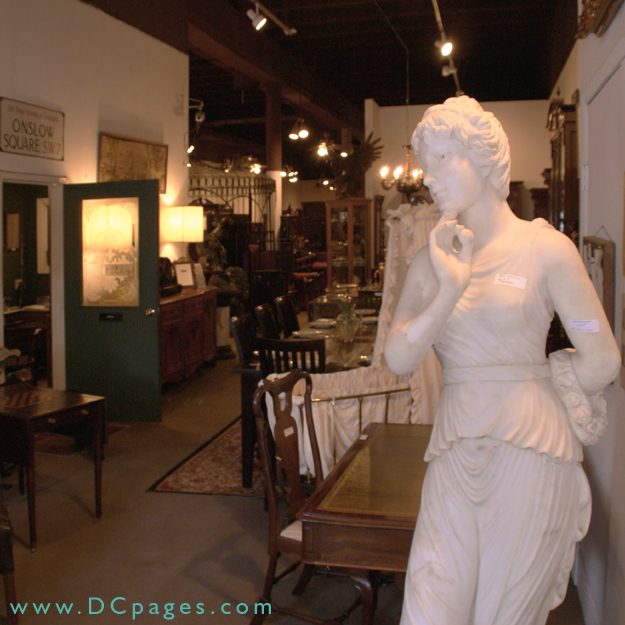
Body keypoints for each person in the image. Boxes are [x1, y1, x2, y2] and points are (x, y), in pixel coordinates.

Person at [384, 96, 620, 625]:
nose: (430, 177)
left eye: (443, 158)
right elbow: (398, 357)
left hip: (531, 450)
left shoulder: (546, 250)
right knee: (429, 603)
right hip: (454, 446)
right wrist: (450, 289)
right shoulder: (430, 262)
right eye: (426, 164)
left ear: (485, 160)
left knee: (505, 613)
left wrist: (542, 387)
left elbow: (602, 357)